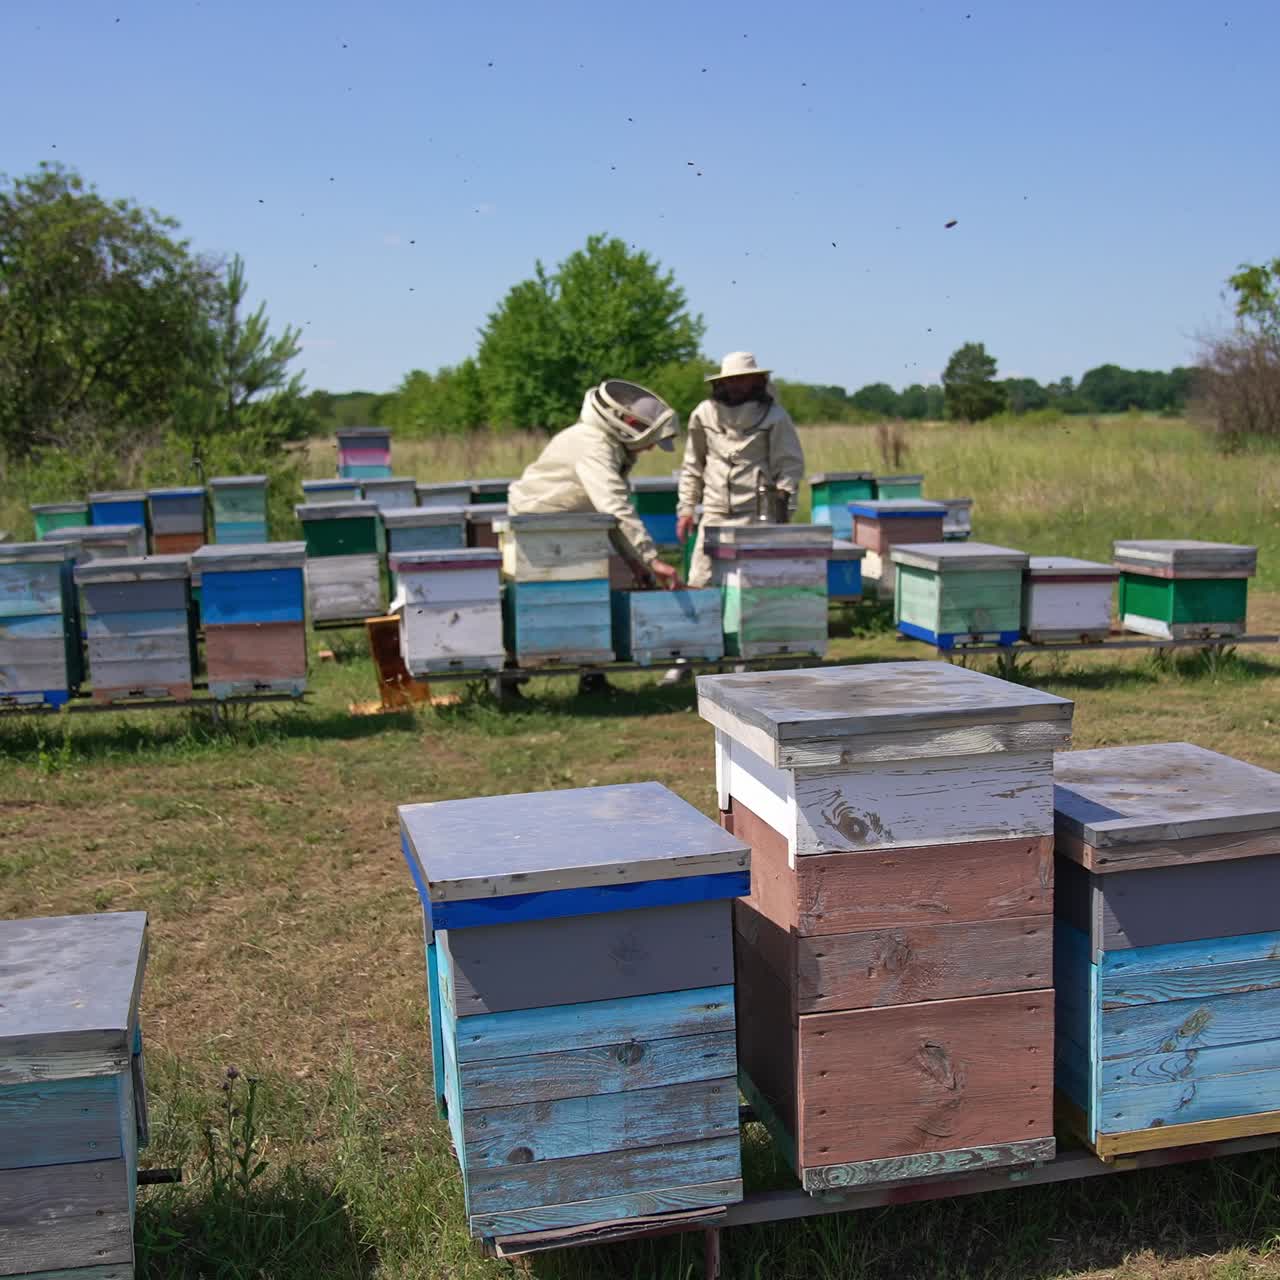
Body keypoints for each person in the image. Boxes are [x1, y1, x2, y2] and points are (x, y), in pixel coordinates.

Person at [508, 379, 684, 694]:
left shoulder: (603, 443)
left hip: (572, 526)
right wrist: (652, 558)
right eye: (650, 440)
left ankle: (592, 678)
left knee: (587, 601)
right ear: (628, 426)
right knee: (545, 605)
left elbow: (610, 517)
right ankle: (510, 677)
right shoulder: (593, 445)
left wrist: (638, 563)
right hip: (539, 527)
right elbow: (614, 506)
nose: (651, 448)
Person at [677, 351, 805, 590]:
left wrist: (782, 506)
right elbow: (693, 465)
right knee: (700, 580)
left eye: (742, 379)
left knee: (754, 586)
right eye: (730, 379)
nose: (735, 385)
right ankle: (709, 627)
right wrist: (686, 509)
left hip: (757, 514)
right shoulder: (703, 413)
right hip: (714, 512)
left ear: (757, 381)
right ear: (720, 382)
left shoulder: (776, 417)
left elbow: (789, 465)